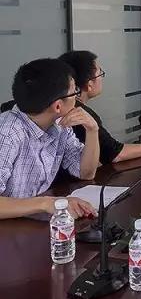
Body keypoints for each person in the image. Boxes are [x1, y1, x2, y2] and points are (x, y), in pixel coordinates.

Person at [0, 59, 98, 220]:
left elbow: (86, 173)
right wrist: (46, 203)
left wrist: (92, 130)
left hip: (31, 221)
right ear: (58, 106)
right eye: (75, 91)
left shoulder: (60, 125)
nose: (78, 97)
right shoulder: (7, 133)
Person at [59, 51, 141, 165]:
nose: (102, 78)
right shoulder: (79, 115)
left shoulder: (64, 108)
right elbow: (115, 154)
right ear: (89, 85)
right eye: (100, 74)